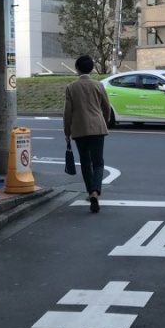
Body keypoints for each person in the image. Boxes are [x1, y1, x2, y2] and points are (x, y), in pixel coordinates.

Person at [63, 54, 111, 213]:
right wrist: (104, 120)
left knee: (85, 161)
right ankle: (96, 192)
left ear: (77, 69)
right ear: (91, 68)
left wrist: (67, 131)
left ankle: (90, 192)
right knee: (98, 162)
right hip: (97, 128)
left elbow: (67, 112)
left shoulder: (71, 87)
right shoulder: (98, 85)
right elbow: (106, 107)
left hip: (79, 129)